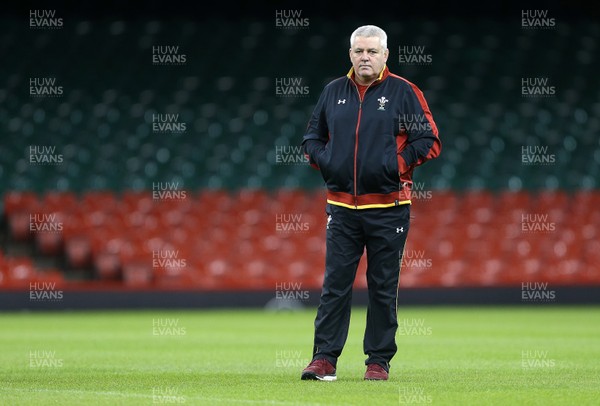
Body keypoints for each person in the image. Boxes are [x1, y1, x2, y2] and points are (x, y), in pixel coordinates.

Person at [300, 24, 441, 381]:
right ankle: (324, 359)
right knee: (335, 285)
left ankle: (378, 361)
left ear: (385, 56)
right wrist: (328, 161)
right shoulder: (333, 92)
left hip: (389, 208)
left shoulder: (404, 92)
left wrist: (394, 165)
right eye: (359, 51)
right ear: (350, 55)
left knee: (382, 286)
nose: (365, 57)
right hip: (342, 207)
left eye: (372, 52)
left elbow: (430, 140)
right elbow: (311, 138)